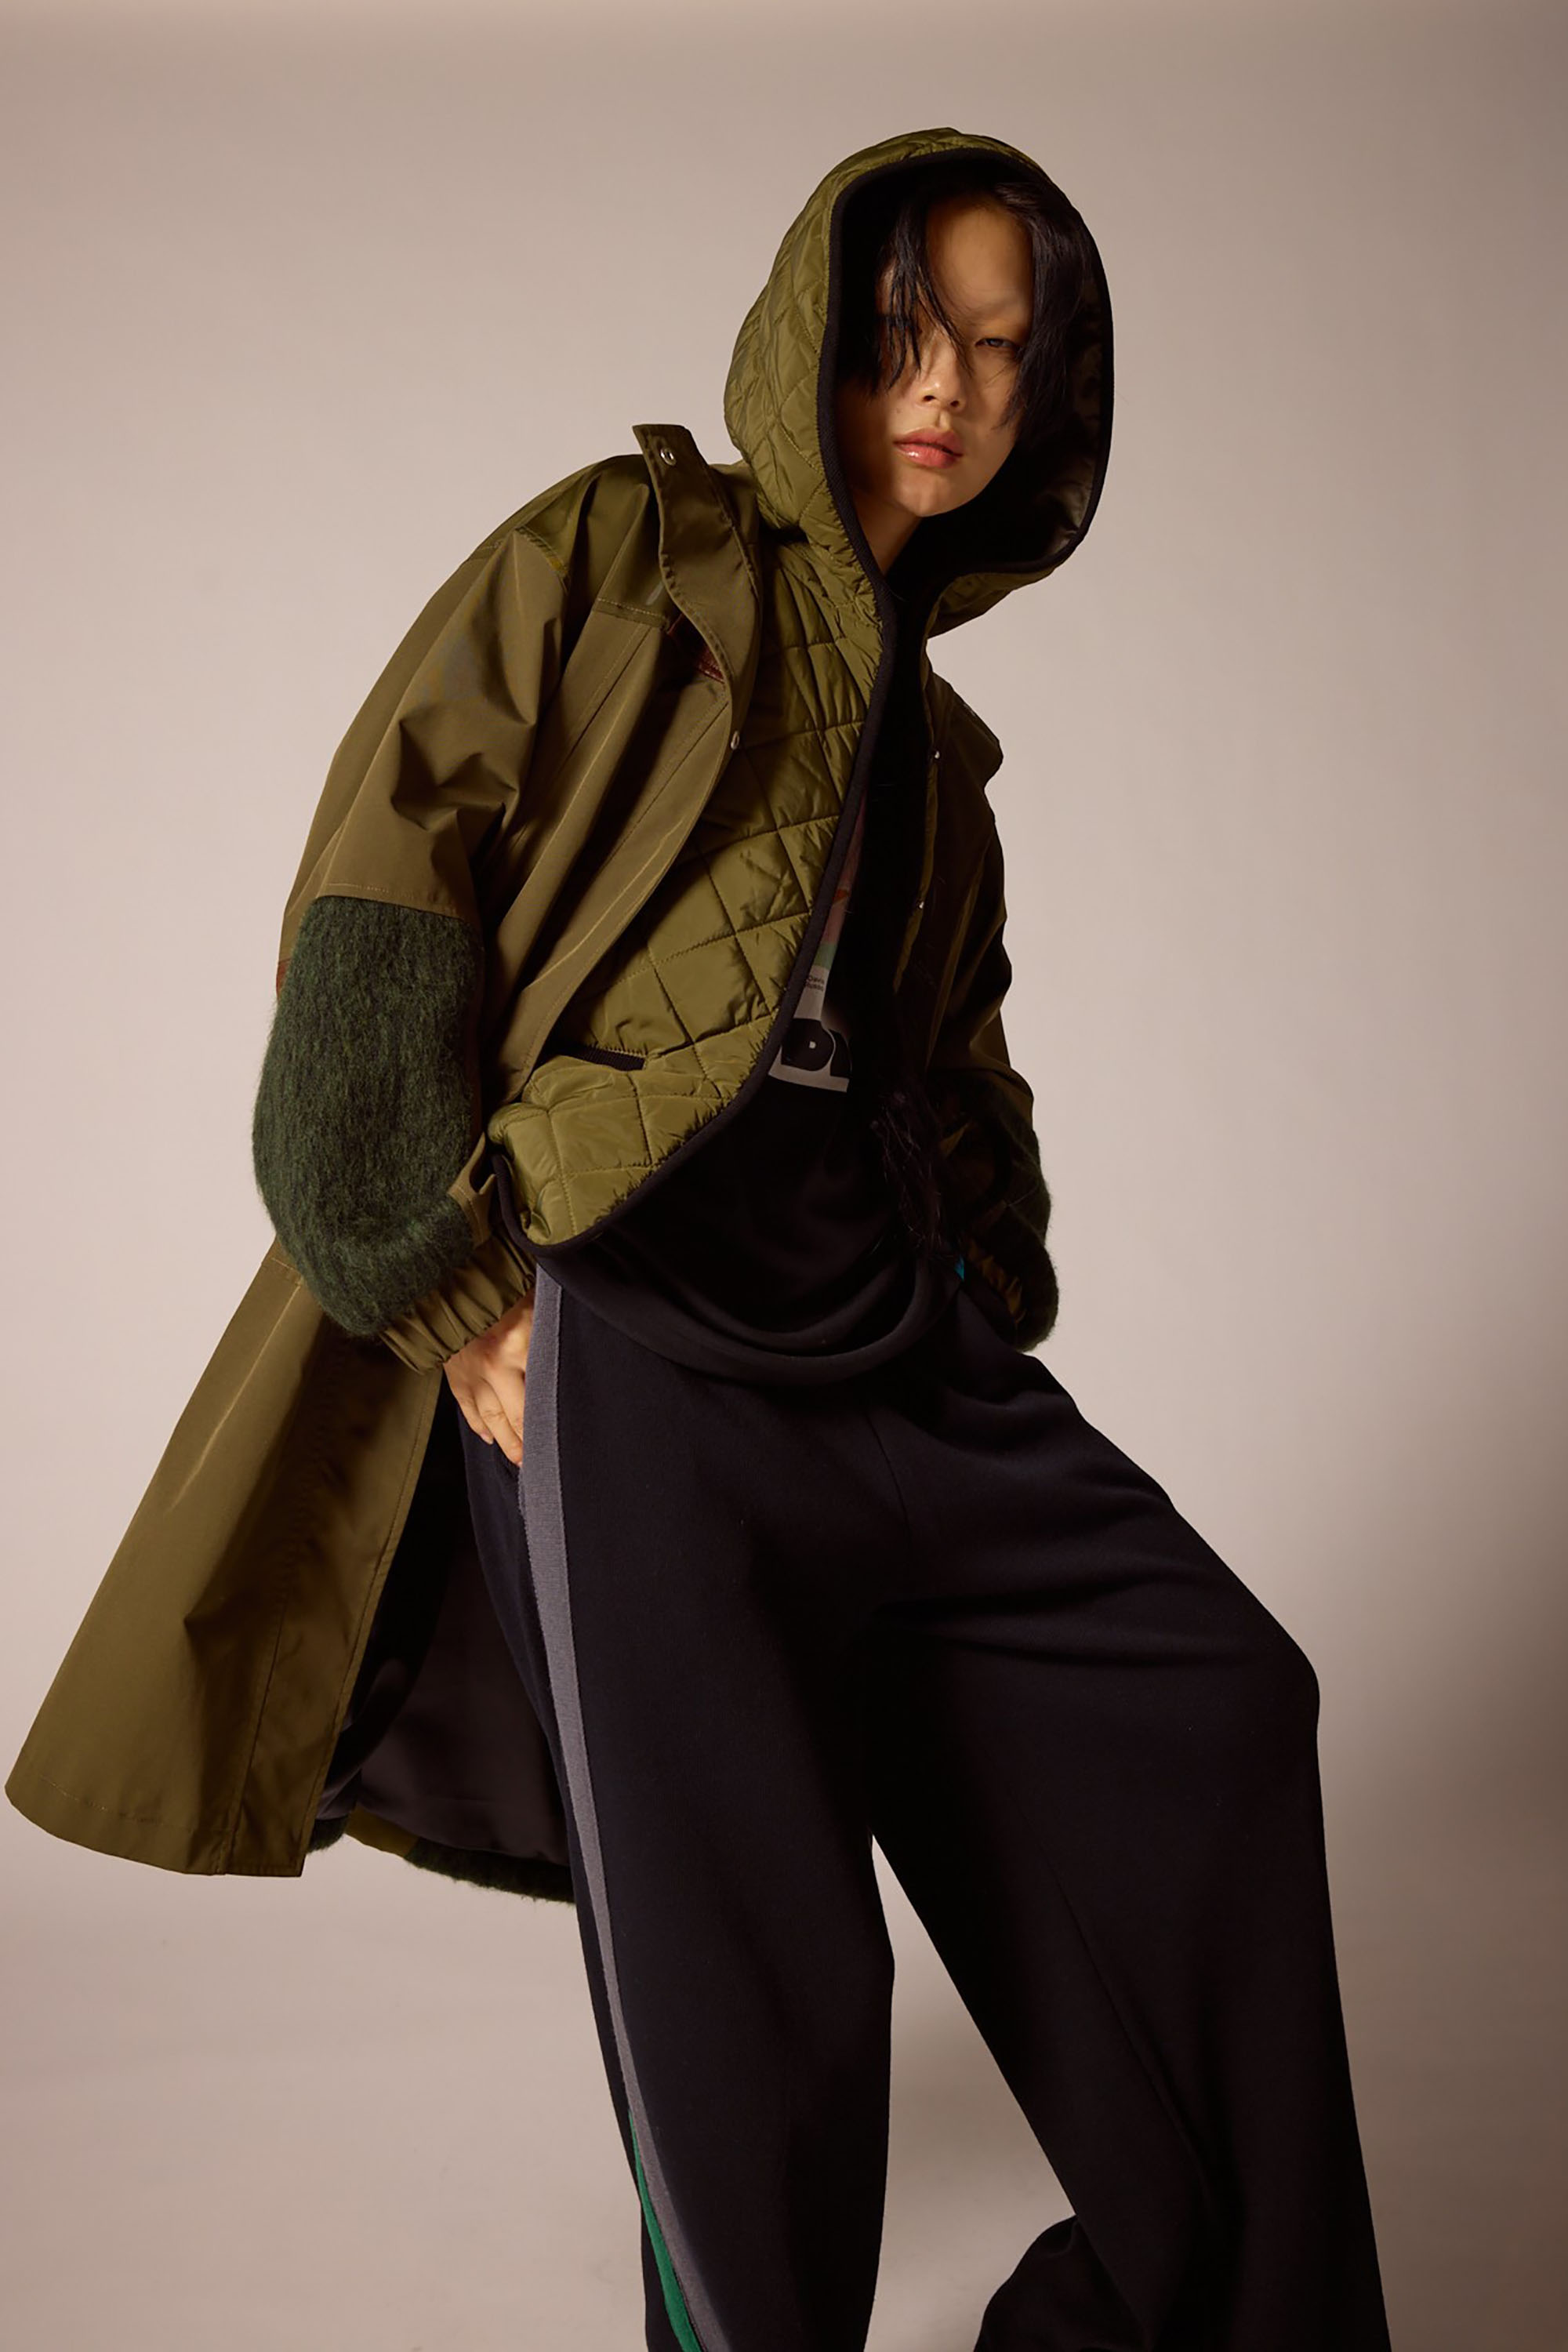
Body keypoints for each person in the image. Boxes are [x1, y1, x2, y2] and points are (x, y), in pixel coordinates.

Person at [7, 126, 1395, 2352]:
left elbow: (955, 1064)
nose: (947, 387)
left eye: (1004, 350)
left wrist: (987, 1283)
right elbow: (377, 903)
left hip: (887, 1338)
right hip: (629, 1329)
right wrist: (454, 1295)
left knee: (1221, 1704)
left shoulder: (942, 748)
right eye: (911, 327)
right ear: (824, 326)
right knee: (751, 1962)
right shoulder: (618, 552)